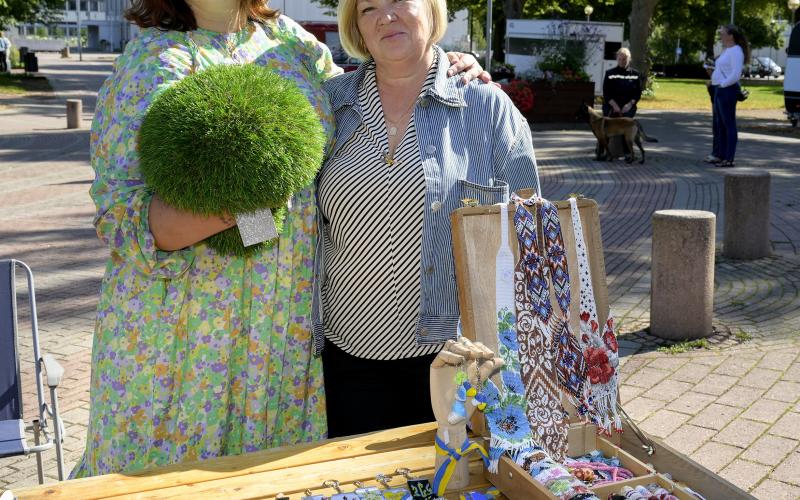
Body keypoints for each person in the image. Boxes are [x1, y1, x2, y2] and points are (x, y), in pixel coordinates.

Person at [71, 0, 487, 478]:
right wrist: (248, 209)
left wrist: (447, 66)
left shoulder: (294, 46)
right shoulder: (148, 62)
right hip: (183, 336)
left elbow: (375, 92)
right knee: (169, 479)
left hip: (280, 335)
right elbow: (124, 217)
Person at [315, 0, 540, 438]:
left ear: (432, 10)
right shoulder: (329, 106)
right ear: (356, 28)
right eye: (368, 8)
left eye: (399, 0)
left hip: (455, 361)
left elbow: (530, 234)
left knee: (449, 483)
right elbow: (290, 215)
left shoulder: (487, 107)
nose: (386, 15)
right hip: (347, 355)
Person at [706, 25, 748, 168]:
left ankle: (729, 158)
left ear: (731, 36)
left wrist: (723, 84)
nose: (720, 37)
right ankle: (720, 155)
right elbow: (720, 69)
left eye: (722, 34)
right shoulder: (727, 50)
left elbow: (736, 74)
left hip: (727, 90)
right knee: (720, 125)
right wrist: (714, 82)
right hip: (719, 89)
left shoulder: (736, 51)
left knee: (728, 125)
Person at [602, 47, 641, 118]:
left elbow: (638, 93)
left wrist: (629, 104)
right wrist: (615, 106)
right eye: (619, 59)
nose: (621, 61)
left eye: (624, 59)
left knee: (625, 125)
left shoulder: (635, 74)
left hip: (628, 107)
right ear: (617, 59)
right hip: (611, 106)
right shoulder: (609, 73)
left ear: (629, 59)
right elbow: (606, 93)